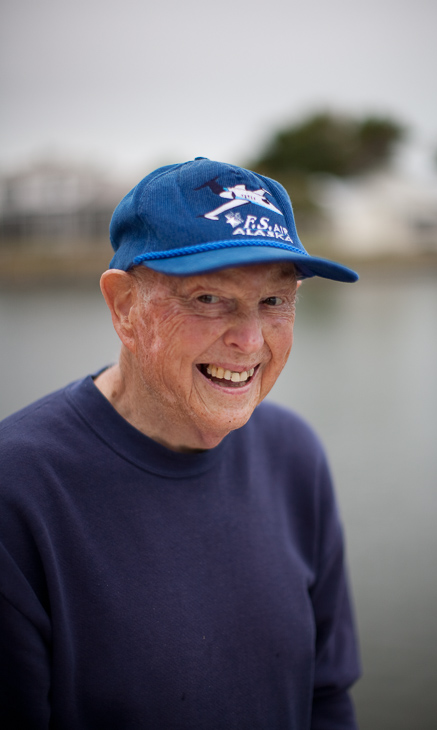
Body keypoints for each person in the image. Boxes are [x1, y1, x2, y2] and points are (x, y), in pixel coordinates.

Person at [0, 157, 361, 729]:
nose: (249, 341)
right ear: (124, 308)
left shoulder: (295, 457)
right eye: (208, 299)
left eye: (274, 302)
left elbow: (328, 697)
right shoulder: (17, 492)